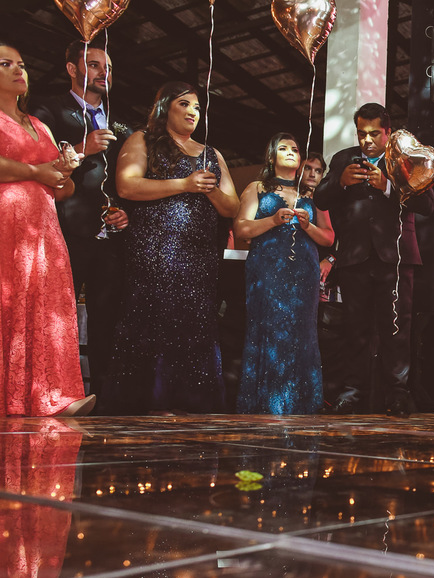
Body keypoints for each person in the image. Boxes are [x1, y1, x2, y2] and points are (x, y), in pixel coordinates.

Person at [107, 81, 239, 414]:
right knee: (152, 321)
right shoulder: (143, 140)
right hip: (154, 250)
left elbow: (233, 208)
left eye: (197, 107)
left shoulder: (212, 154)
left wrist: (209, 191)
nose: (193, 111)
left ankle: (193, 405)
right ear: (166, 107)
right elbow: (127, 185)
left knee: (193, 326)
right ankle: (144, 404)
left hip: (199, 257)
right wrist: (185, 183)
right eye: (184, 104)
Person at [313, 102, 434, 417]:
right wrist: (341, 182)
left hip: (396, 258)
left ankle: (397, 394)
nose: (366, 140)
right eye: (361, 133)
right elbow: (321, 197)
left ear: (387, 132)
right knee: (355, 330)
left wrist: (389, 187)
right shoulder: (343, 159)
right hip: (354, 259)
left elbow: (428, 205)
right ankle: (351, 394)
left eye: (373, 134)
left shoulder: (403, 159)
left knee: (396, 329)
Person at [28, 42, 130, 396]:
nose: (105, 73)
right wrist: (82, 147)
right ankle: (53, 391)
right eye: (94, 64)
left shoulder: (122, 122)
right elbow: (37, 159)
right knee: (58, 315)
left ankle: (104, 396)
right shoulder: (49, 109)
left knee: (108, 317)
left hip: (110, 236)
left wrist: (123, 209)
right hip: (64, 230)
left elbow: (125, 178)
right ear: (72, 69)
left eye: (109, 67)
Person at [0, 41, 94, 417]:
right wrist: (36, 172)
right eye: (5, 64)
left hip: (44, 225)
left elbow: (63, 188)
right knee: (9, 300)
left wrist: (64, 173)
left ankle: (49, 394)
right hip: (7, 222)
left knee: (45, 304)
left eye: (21, 64)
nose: (18, 70)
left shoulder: (39, 124)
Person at [233, 133, 335, 415]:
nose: (290, 152)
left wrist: (308, 227)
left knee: (303, 334)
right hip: (266, 270)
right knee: (268, 330)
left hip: (304, 271)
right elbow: (241, 229)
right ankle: (266, 405)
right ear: (271, 156)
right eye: (283, 148)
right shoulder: (256, 188)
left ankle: (302, 404)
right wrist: (272, 220)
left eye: (295, 149)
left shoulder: (313, 195)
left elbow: (328, 237)